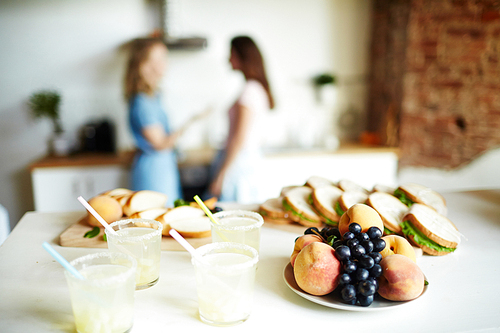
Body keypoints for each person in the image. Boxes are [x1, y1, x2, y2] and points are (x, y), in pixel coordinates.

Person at [124, 37, 201, 206]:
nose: (166, 62)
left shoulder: (153, 97)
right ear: (144, 64)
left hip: (162, 168)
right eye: (161, 58)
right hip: (154, 172)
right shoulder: (142, 102)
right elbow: (160, 143)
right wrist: (188, 124)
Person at [207, 36, 275, 203]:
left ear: (242, 56)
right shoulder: (255, 89)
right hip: (246, 162)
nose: (228, 58)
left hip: (238, 166)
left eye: (232, 53)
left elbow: (239, 138)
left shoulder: (249, 91)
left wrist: (221, 175)